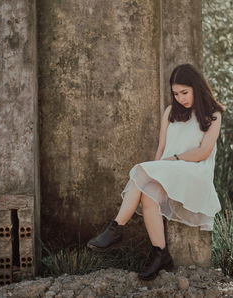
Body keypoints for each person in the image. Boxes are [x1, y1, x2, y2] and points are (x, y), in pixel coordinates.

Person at [87, 63, 225, 281]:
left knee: (139, 171)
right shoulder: (171, 112)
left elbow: (203, 152)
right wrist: (157, 170)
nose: (180, 98)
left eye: (185, 92)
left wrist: (173, 161)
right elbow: (161, 148)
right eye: (176, 93)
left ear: (196, 88)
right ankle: (160, 254)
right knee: (147, 193)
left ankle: (116, 229)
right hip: (171, 169)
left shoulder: (213, 114)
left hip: (195, 172)